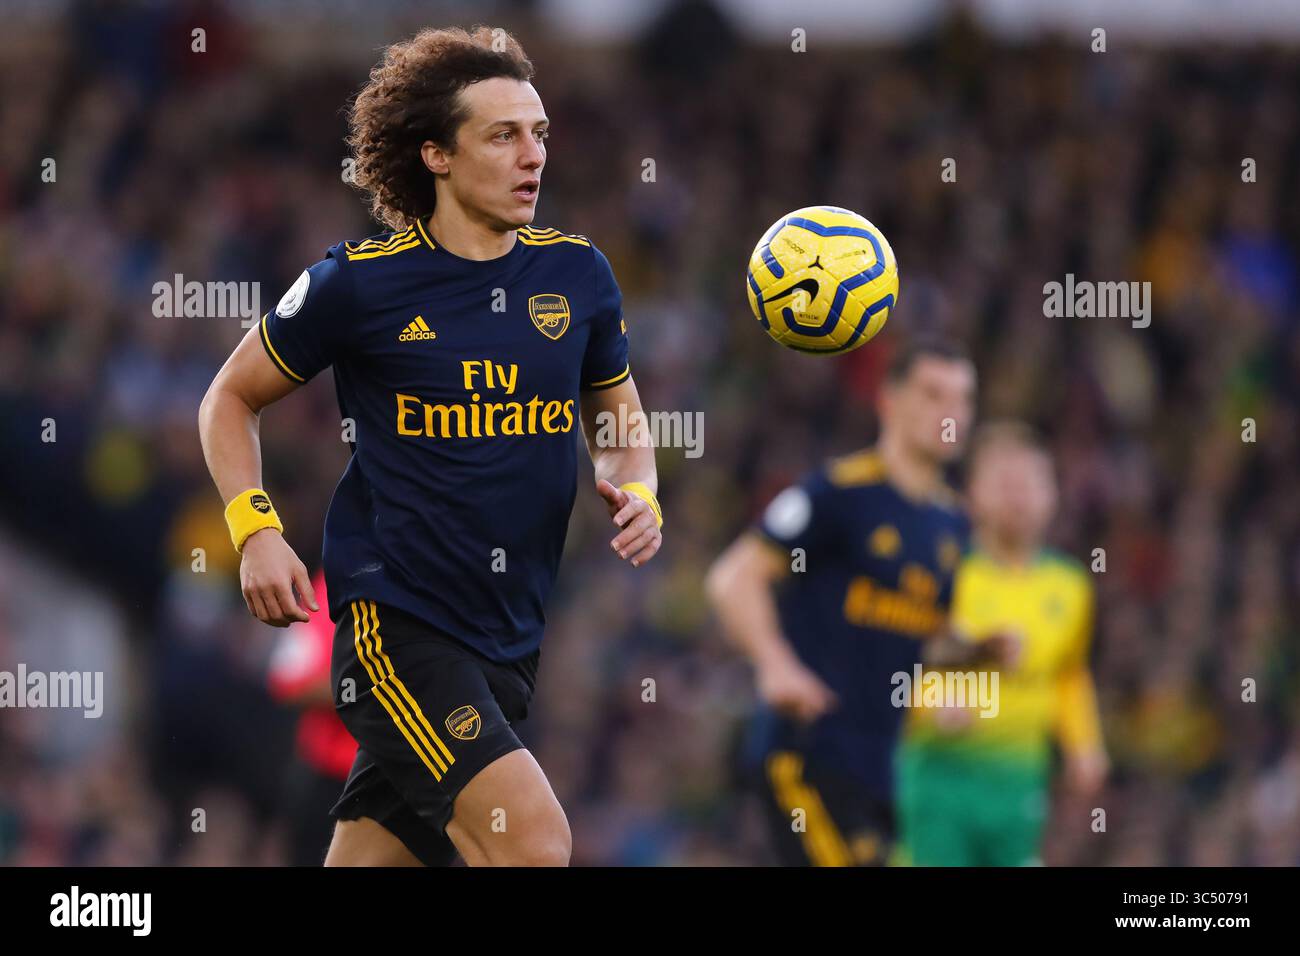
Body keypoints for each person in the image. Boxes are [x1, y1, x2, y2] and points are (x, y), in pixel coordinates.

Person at [198, 26, 661, 866]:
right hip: (398, 627)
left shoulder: (579, 277)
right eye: (503, 134)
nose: (534, 156)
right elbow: (230, 397)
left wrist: (638, 486)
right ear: (436, 156)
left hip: (509, 641)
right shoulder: (359, 282)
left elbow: (619, 415)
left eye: (540, 134)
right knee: (532, 842)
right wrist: (254, 527)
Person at [707, 338, 1007, 866]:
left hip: (885, 769)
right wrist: (777, 667)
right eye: (934, 394)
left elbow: (917, 638)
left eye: (963, 400)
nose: (951, 414)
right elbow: (733, 578)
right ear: (889, 400)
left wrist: (976, 654)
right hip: (807, 755)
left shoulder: (954, 526)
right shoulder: (838, 493)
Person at [897, 422, 1107, 866]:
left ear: (1053, 493)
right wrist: (931, 705)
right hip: (941, 773)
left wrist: (1084, 743)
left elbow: (1068, 673)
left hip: (1021, 775)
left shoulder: (1069, 586)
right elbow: (892, 664)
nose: (1019, 496)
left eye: (1031, 482)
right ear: (973, 492)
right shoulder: (940, 574)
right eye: (1005, 483)